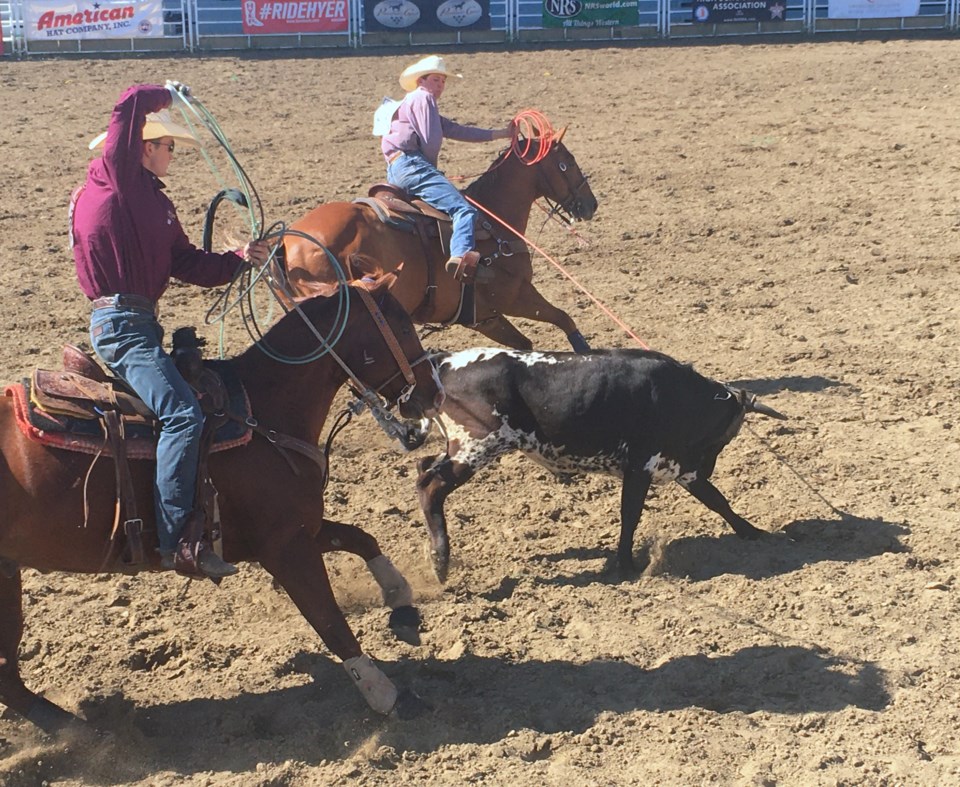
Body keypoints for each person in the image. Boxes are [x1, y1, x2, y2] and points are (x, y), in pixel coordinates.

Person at [71, 82, 270, 579]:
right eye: (168, 147)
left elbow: (186, 262)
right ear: (142, 147)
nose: (173, 155)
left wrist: (239, 261)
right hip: (121, 325)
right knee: (182, 413)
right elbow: (128, 106)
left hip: (136, 322)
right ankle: (178, 540)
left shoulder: (153, 204)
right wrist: (164, 94)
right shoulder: (117, 181)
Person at [380, 55, 514, 281]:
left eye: (442, 81)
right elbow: (431, 140)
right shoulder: (424, 99)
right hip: (414, 165)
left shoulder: (411, 102)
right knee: (464, 209)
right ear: (421, 81)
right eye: (435, 80)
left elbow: (456, 130)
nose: (440, 86)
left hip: (396, 169)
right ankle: (460, 254)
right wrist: (431, 169)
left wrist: (500, 134)